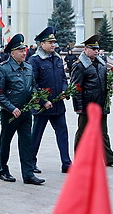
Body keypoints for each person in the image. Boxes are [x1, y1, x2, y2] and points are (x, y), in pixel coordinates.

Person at [0, 33, 45, 185]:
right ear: (12, 53)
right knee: (6, 142)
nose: (24, 53)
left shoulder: (28, 67)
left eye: (25, 50)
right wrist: (11, 108)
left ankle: (28, 174)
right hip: (10, 114)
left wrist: (36, 96)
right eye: (21, 51)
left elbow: (33, 86)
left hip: (26, 112)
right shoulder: (3, 69)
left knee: (26, 143)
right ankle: (3, 170)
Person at [71, 34, 113, 167]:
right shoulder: (79, 65)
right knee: (83, 133)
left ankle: (109, 159)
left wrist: (109, 84)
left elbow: (104, 79)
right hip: (87, 105)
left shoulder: (100, 63)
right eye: (93, 49)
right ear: (86, 49)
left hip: (101, 103)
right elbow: (75, 88)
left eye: (97, 49)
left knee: (103, 133)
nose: (96, 51)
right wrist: (78, 107)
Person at [28, 27, 72, 174]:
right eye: (50, 42)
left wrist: (65, 90)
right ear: (42, 44)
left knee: (63, 133)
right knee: (36, 135)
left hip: (58, 105)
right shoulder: (35, 60)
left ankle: (66, 163)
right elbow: (33, 84)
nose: (53, 45)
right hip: (43, 107)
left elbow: (63, 79)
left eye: (54, 42)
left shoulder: (57, 58)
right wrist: (43, 101)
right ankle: (31, 162)